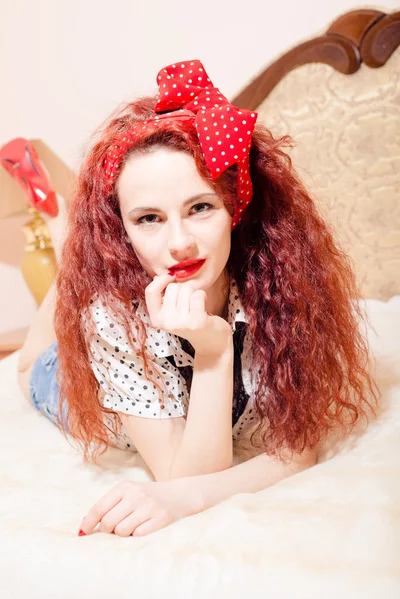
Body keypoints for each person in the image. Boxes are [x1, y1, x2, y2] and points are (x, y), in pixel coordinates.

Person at [5, 59, 379, 538]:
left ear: (234, 209)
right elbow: (186, 477)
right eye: (148, 219)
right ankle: (66, 252)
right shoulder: (114, 320)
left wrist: (213, 346)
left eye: (200, 207)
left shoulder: (282, 291)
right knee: (28, 365)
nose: (179, 243)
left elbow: (294, 452)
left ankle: (68, 246)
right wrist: (214, 355)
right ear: (124, 230)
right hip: (68, 380)